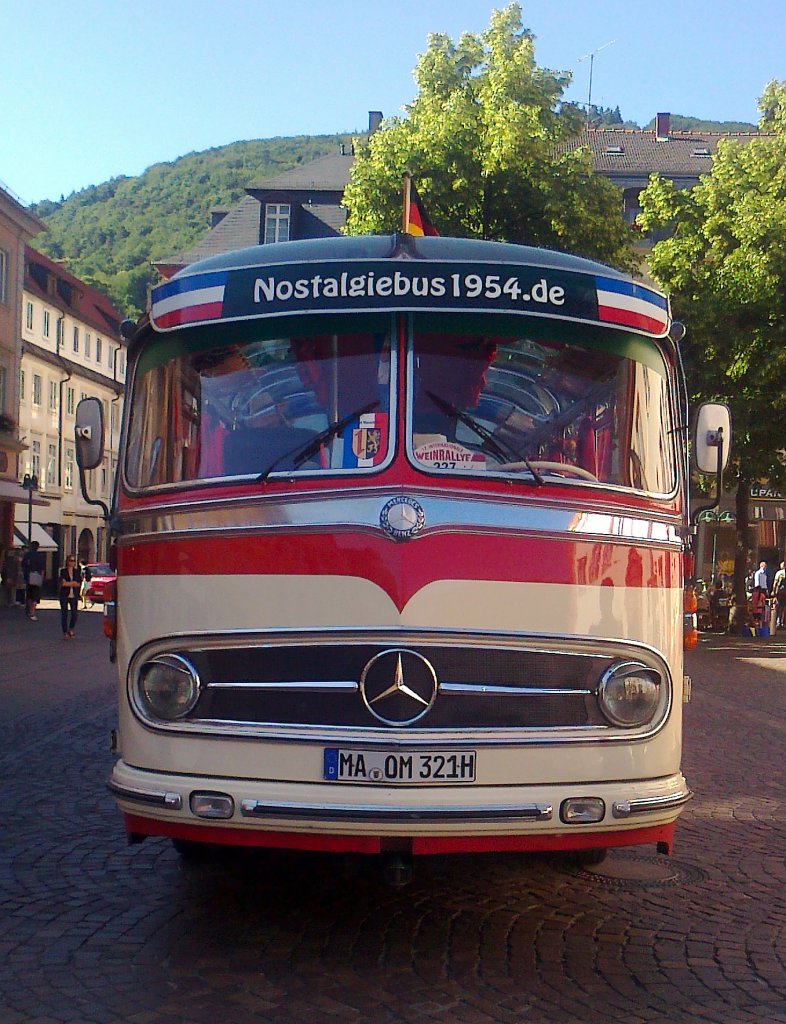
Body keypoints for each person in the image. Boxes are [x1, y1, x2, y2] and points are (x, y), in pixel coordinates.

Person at [21, 540, 46, 621]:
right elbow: (42, 568)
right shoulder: (39, 556)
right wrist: (41, 578)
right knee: (35, 596)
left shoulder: (27, 555)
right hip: (36, 576)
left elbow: (23, 565)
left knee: (29, 595)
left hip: (28, 577)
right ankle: (32, 612)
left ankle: (29, 610)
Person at [58, 555, 82, 639]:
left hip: (74, 595)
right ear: (67, 562)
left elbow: (79, 583)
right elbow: (63, 583)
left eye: (74, 561)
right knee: (64, 614)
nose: (72, 562)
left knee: (74, 614)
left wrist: (69, 583)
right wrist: (73, 583)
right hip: (64, 594)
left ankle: (71, 629)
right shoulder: (63, 571)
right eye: (71, 561)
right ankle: (65, 632)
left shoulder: (77, 572)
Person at [774, 561, 786, 628]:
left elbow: (775, 583)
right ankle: (782, 622)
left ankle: (778, 622)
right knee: (783, 608)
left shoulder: (779, 573)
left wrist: (774, 591)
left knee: (780, 607)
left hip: (781, 593)